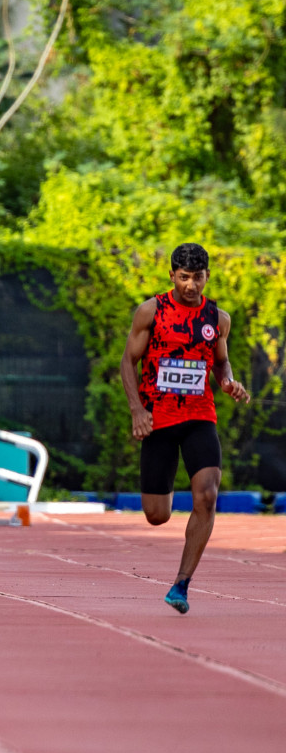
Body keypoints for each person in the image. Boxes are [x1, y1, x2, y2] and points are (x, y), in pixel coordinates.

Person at [119, 242, 250, 615]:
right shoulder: (152, 311)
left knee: (207, 495)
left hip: (198, 417)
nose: (191, 285)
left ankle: (181, 585)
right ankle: (167, 488)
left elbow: (221, 364)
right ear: (172, 275)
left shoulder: (217, 319)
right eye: (184, 277)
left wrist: (228, 381)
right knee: (157, 515)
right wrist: (137, 410)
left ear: (208, 276)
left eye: (198, 277)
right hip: (158, 419)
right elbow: (128, 362)